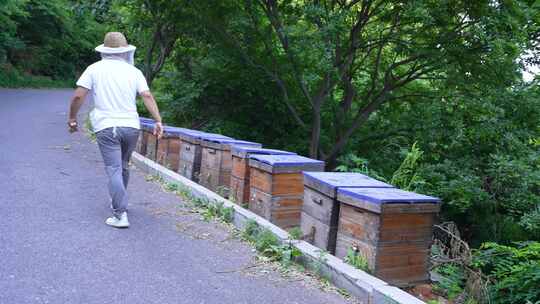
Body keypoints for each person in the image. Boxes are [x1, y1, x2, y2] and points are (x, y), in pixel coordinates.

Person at [67, 32, 163, 228]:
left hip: (107, 126)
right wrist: (158, 120)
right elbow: (146, 95)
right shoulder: (133, 71)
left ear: (105, 50)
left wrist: (72, 117)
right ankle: (119, 202)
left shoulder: (94, 69)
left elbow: (78, 96)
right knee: (124, 166)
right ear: (124, 50)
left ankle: (120, 215)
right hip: (131, 126)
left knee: (114, 168)